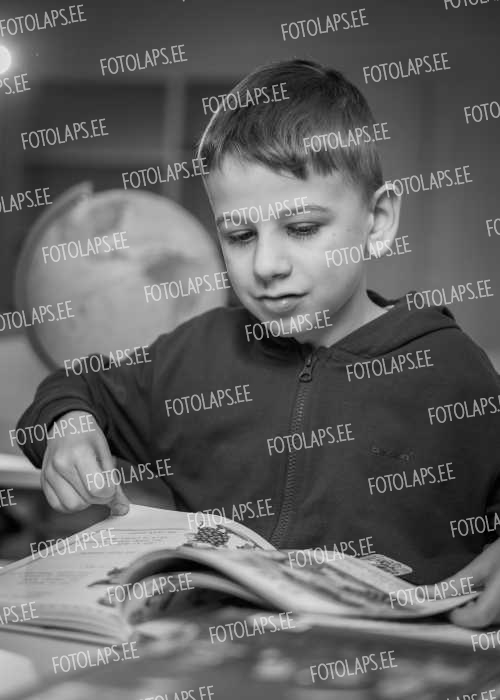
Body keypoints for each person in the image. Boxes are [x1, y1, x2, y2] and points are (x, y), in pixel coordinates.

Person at [16, 59, 500, 628]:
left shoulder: (450, 371)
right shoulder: (194, 357)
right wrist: (69, 424)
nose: (266, 265)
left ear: (378, 220)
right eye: (240, 235)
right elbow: (75, 387)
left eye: (302, 228)